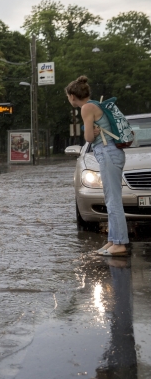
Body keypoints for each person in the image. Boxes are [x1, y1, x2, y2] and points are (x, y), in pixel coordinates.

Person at [66, 76, 128, 256]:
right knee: (111, 199)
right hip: (111, 153)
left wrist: (89, 131)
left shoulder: (86, 108)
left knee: (113, 200)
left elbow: (88, 138)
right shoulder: (94, 105)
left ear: (72, 96)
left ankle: (120, 244)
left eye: (68, 97)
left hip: (108, 153)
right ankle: (113, 240)